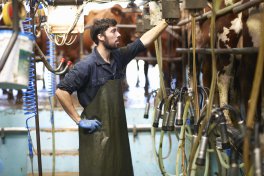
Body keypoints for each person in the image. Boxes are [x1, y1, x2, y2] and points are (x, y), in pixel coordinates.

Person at [55, 18, 168, 176]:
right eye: (113, 31)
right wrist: (79, 121)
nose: (119, 34)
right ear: (101, 37)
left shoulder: (119, 57)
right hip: (96, 134)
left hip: (117, 131)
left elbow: (142, 41)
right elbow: (61, 91)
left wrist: (165, 22)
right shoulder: (86, 66)